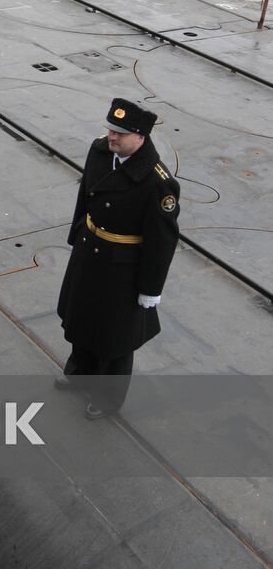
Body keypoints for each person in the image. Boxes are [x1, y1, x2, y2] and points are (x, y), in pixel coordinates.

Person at [56, 97, 180, 418]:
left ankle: (107, 398)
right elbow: (86, 195)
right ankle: (79, 372)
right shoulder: (100, 151)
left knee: (115, 338)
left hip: (122, 267)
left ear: (140, 136)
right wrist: (76, 234)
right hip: (90, 249)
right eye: (111, 129)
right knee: (82, 316)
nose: (112, 137)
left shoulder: (157, 181)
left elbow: (162, 241)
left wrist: (150, 288)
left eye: (120, 134)